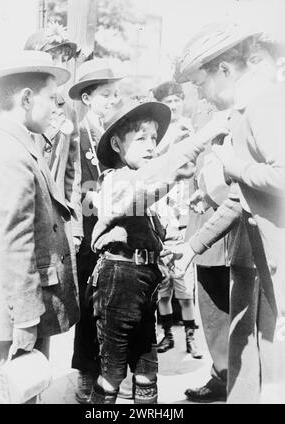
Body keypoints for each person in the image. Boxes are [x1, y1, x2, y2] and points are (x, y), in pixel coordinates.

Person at [88, 98, 229, 404]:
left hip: (144, 279)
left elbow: (154, 182)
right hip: (118, 280)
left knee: (147, 367)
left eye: (154, 138)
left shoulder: (144, 177)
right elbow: (145, 186)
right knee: (112, 371)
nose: (151, 145)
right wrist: (195, 142)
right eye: (141, 139)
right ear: (116, 144)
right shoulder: (113, 180)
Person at [176, 22, 285, 403]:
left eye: (203, 82)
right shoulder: (246, 111)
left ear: (226, 70)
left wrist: (233, 164)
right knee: (252, 347)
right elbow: (242, 197)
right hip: (262, 258)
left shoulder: (265, 105)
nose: (202, 94)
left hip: (277, 261)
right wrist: (193, 246)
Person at [0, 50, 80, 403]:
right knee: (15, 392)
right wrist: (25, 320)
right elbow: (14, 242)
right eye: (52, 99)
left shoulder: (17, 142)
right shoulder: (10, 153)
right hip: (19, 311)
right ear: (26, 99)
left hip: (24, 305)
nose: (58, 108)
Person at [68, 58, 123, 403]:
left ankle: (112, 371)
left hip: (113, 228)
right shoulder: (74, 134)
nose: (112, 101)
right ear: (87, 98)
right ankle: (86, 372)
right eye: (105, 95)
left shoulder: (111, 133)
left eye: (114, 94)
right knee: (89, 305)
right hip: (88, 232)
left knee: (113, 303)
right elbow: (71, 184)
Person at [151, 81, 202, 358]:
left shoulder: (191, 128)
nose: (173, 106)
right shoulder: (158, 132)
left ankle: (191, 336)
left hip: (184, 214)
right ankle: (167, 334)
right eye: (168, 101)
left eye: (176, 100)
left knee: (184, 282)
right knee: (163, 287)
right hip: (161, 213)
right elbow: (153, 163)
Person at [24, 22, 83, 253]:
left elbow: (72, 170)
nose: (59, 66)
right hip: (25, 214)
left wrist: (76, 226)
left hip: (57, 221)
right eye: (52, 57)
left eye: (63, 59)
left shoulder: (68, 108)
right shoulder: (20, 103)